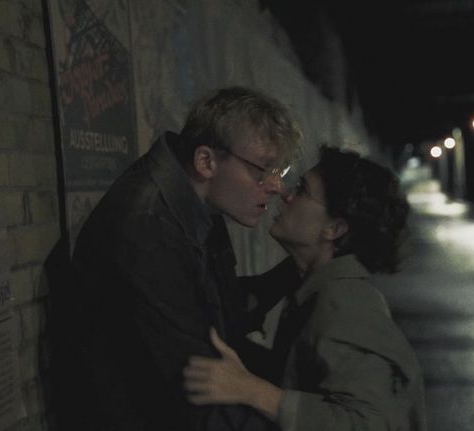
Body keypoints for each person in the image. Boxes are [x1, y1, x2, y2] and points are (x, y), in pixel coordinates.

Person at [48, 86, 302, 431]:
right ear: (206, 161)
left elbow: (223, 315)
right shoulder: (146, 229)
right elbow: (199, 384)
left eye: (279, 171)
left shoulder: (200, 207)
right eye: (262, 171)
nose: (276, 186)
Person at [183, 145, 427, 431]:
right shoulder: (316, 283)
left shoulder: (344, 306)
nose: (285, 194)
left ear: (334, 228)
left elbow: (369, 423)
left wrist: (253, 391)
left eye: (302, 190)